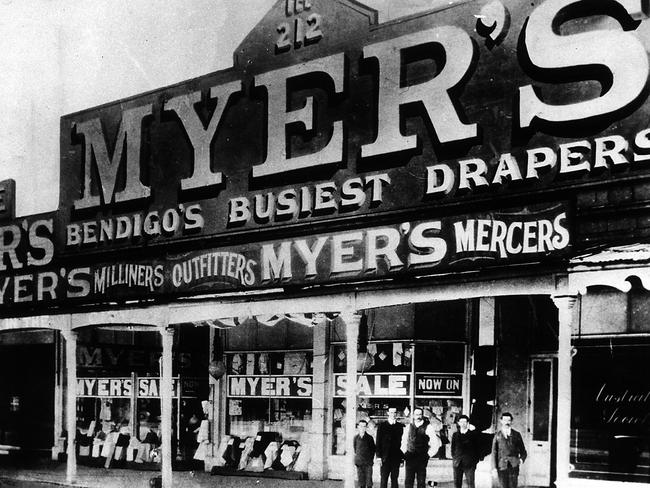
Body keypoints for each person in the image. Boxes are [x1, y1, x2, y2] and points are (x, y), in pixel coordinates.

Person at [401, 407, 440, 488]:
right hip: (410, 457)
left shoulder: (428, 427)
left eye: (420, 414)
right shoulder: (409, 426)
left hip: (422, 457)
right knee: (408, 481)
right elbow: (403, 441)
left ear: (422, 415)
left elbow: (436, 444)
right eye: (416, 414)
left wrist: (428, 455)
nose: (418, 416)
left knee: (421, 481)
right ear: (413, 415)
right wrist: (405, 453)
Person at [491, 412, 527, 488]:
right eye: (505, 420)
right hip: (501, 467)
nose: (507, 423)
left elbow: (523, 451)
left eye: (509, 420)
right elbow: (494, 453)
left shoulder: (517, 435)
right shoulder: (497, 435)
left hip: (514, 467)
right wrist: (494, 468)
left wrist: (520, 460)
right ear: (501, 421)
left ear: (511, 421)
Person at [376, 407, 405, 488]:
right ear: (388, 413)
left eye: (395, 412)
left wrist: (402, 458)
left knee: (395, 479)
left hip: (396, 458)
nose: (393, 414)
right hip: (385, 458)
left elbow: (402, 443)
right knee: (384, 480)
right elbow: (378, 442)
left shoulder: (400, 426)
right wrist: (378, 457)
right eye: (391, 412)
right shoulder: (382, 426)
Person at [451, 414, 479, 488]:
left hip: (469, 464)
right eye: (461, 422)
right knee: (457, 484)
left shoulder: (473, 435)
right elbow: (453, 448)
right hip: (457, 463)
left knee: (470, 484)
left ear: (467, 423)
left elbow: (477, 450)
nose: (463, 424)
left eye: (465, 422)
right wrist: (455, 459)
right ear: (458, 423)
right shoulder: (455, 435)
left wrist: (474, 462)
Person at [354, 419, 376, 488]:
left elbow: (373, 450)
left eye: (364, 426)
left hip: (368, 463)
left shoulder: (370, 438)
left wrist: (370, 460)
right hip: (359, 463)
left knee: (369, 482)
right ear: (358, 427)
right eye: (361, 426)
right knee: (361, 482)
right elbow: (355, 449)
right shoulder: (356, 438)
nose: (362, 428)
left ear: (366, 428)